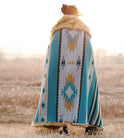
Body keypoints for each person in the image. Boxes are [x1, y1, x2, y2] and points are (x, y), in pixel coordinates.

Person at [32, 4, 103, 135]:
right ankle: (91, 127)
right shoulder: (84, 33)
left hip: (61, 72)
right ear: (77, 15)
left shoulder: (58, 32)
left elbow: (51, 58)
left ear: (63, 15)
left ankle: (59, 125)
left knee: (57, 91)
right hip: (80, 73)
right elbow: (89, 59)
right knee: (83, 90)